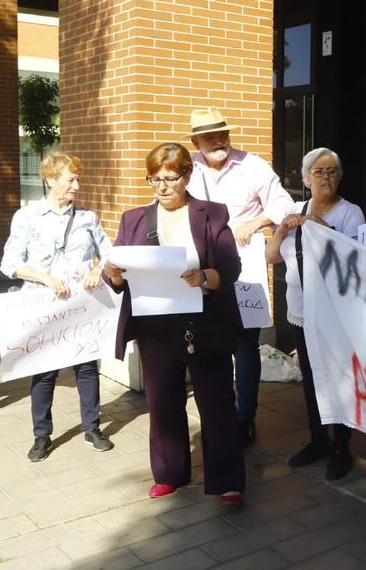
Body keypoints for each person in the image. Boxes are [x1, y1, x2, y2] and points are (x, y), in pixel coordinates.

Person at [104, 143, 246, 505]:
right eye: (154, 179)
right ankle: (169, 472)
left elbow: (231, 268)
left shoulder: (211, 214)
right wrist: (112, 274)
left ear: (187, 175)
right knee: (163, 403)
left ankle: (227, 480)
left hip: (204, 321)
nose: (162, 187)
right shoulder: (133, 218)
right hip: (154, 325)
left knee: (215, 402)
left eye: (169, 178)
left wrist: (203, 276)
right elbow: (117, 274)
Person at [185, 107, 293, 446]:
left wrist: (254, 223)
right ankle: (219, 414)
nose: (219, 141)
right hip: (200, 269)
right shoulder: (186, 167)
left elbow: (285, 205)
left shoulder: (253, 165)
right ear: (195, 141)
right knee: (206, 341)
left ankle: (246, 418)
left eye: (223, 134)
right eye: (210, 136)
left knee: (246, 344)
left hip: (245, 265)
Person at [0, 152, 114, 461]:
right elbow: (10, 263)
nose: (76, 185)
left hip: (81, 304)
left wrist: (97, 271)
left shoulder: (88, 217)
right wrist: (44, 278)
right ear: (50, 179)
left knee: (87, 368)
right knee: (44, 371)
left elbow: (110, 253)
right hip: (42, 304)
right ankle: (41, 435)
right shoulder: (27, 217)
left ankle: (92, 427)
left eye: (78, 179)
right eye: (70, 179)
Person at [266, 147, 365, 478]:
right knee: (311, 377)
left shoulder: (351, 212)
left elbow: (354, 258)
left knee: (338, 376)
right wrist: (283, 228)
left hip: (336, 310)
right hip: (301, 309)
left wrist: (319, 224)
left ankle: (342, 445)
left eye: (331, 171)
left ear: (340, 177)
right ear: (306, 179)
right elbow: (272, 256)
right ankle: (318, 439)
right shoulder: (295, 209)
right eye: (318, 172)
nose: (325, 177)